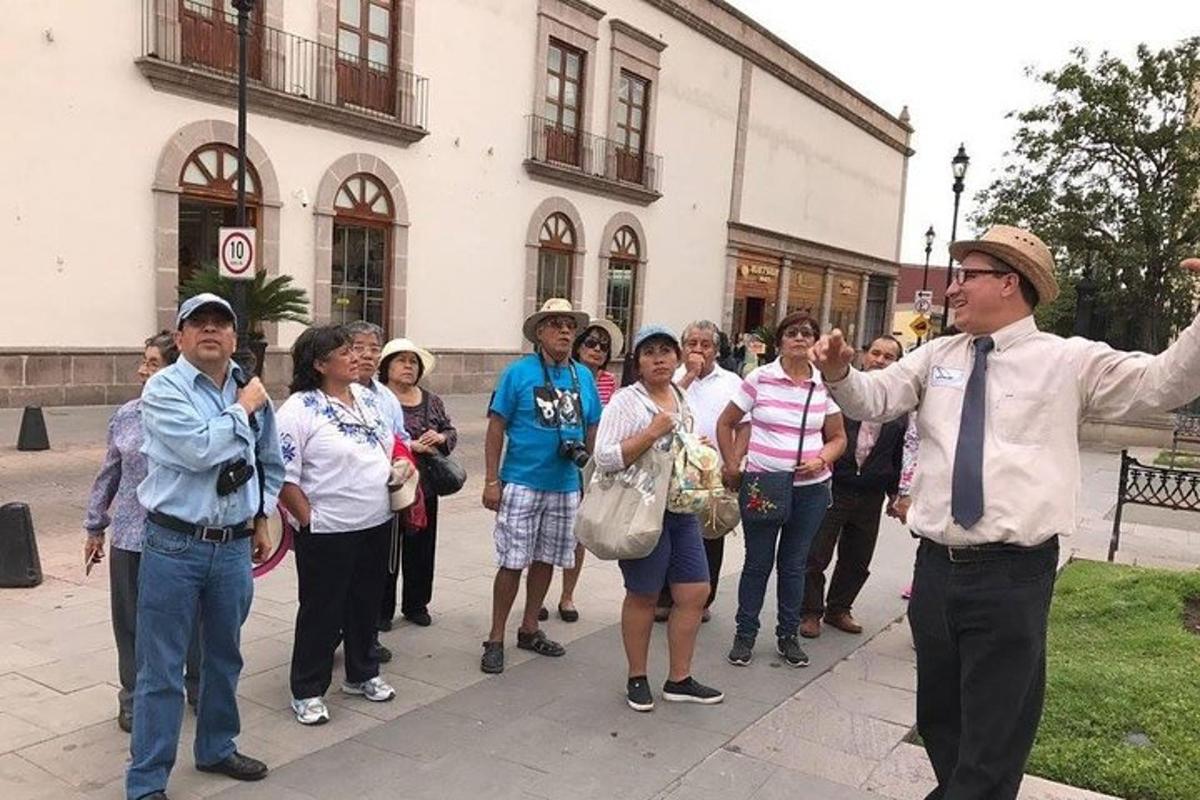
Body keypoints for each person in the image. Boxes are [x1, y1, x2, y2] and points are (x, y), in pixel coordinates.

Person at [811, 225, 1200, 800]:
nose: (953, 289)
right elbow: (876, 398)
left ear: (1009, 283)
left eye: (966, 276)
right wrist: (840, 373)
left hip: (1012, 574)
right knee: (942, 720)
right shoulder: (936, 356)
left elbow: (1163, 383)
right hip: (935, 570)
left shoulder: (1067, 360)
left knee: (995, 734)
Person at [127, 293, 283, 800]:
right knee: (161, 669)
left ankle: (216, 747)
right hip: (174, 543)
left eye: (221, 323)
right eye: (199, 323)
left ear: (234, 338)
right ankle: (147, 781)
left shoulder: (249, 389)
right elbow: (198, 450)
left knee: (224, 657)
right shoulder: (164, 388)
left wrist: (261, 517)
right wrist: (242, 409)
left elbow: (270, 462)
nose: (211, 330)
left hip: (234, 547)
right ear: (181, 337)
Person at [594, 324, 725, 711]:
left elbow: (677, 447)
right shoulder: (626, 401)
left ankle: (679, 679)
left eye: (666, 351)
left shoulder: (681, 396)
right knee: (644, 595)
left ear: (677, 357)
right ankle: (637, 676)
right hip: (641, 511)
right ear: (638, 362)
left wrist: (695, 447)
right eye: (649, 353)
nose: (659, 359)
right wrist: (650, 433)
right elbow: (604, 456)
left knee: (695, 593)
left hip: (680, 511)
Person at [276, 325, 398, 726]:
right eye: (345, 352)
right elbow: (283, 474)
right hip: (328, 529)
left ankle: (362, 673)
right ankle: (308, 689)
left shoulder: (367, 398)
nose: (356, 357)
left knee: (366, 603)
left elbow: (389, 444)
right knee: (322, 610)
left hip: (375, 520)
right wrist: (309, 519)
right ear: (319, 363)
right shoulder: (299, 409)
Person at [83, 332, 201, 734]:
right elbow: (109, 473)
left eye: (153, 363)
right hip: (131, 538)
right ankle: (133, 698)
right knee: (130, 623)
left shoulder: (194, 414)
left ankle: (198, 686)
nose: (142, 371)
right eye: (143, 361)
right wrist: (95, 525)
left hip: (183, 537)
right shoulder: (127, 415)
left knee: (192, 619)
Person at [716, 312, 847, 669]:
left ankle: (788, 635)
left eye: (807, 333)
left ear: (815, 342)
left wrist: (821, 459)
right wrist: (732, 464)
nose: (799, 338)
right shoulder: (759, 379)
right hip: (764, 484)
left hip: (810, 490)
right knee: (757, 563)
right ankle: (745, 634)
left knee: (794, 565)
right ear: (779, 341)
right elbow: (727, 422)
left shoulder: (823, 384)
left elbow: (838, 437)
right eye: (792, 333)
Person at [480, 298, 601, 674]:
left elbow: (592, 426)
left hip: (565, 485)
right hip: (522, 481)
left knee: (547, 558)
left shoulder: (583, 376)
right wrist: (491, 481)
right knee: (512, 562)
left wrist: (589, 477)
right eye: (555, 324)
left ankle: (530, 628)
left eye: (570, 325)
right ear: (539, 332)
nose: (565, 330)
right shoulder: (518, 373)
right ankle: (495, 638)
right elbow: (496, 427)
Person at [800, 336, 908, 638]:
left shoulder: (900, 405)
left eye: (889, 357)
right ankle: (810, 612)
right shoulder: (839, 394)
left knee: (858, 559)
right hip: (835, 486)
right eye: (876, 353)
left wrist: (896, 493)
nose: (880, 360)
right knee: (816, 554)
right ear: (864, 356)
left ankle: (839, 609)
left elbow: (900, 452)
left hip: (871, 493)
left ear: (897, 364)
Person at [654, 320, 744, 623]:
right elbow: (665, 408)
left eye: (705, 344)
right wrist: (690, 374)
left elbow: (744, 425)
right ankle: (665, 595)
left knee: (710, 536)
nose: (698, 349)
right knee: (668, 533)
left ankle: (703, 599)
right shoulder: (672, 377)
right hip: (672, 471)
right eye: (692, 343)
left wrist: (734, 461)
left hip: (711, 471)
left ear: (716, 350)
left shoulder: (731, 381)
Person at [539, 318, 623, 624]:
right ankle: (538, 596)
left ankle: (567, 596)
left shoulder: (608, 382)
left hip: (592, 462)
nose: (597, 350)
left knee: (579, 534)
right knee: (546, 534)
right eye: (591, 343)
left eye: (604, 346)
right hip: (558, 463)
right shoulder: (559, 373)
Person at [379, 337, 457, 628]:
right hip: (390, 486)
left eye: (413, 361)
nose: (408, 366)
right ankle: (381, 610)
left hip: (425, 487)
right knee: (387, 552)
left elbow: (450, 430)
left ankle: (416, 604)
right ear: (387, 367)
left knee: (422, 549)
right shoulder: (376, 398)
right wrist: (409, 446)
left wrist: (441, 437)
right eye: (401, 360)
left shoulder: (431, 400)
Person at [344, 320, 406, 663]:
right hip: (339, 508)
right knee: (337, 580)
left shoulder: (386, 398)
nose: (366, 355)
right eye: (358, 347)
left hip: (378, 503)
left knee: (372, 578)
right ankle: (332, 635)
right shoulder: (327, 393)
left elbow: (400, 440)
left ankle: (366, 638)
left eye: (373, 349)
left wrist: (404, 462)